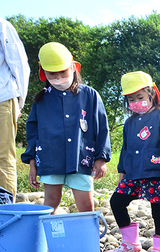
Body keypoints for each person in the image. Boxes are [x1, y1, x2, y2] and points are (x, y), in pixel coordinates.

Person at [21, 42, 110, 214]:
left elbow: (102, 126)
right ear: (43, 73)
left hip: (81, 157)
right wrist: (32, 162)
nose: (58, 78)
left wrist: (101, 158)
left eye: (63, 72)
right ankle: (50, 237)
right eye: (52, 74)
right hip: (50, 157)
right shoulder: (41, 100)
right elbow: (32, 133)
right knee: (51, 201)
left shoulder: (90, 95)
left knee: (86, 203)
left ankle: (87, 239)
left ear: (73, 67)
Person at [105, 71, 160, 252]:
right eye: (131, 99)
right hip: (133, 173)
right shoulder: (129, 122)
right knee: (116, 201)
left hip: (157, 172)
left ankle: (159, 250)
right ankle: (130, 243)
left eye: (140, 97)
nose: (136, 102)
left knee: (158, 210)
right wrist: (122, 169)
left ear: (151, 94)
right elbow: (126, 148)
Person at [0, 18, 29, 204]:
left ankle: (5, 207)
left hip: (2, 96)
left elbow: (19, 64)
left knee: (3, 155)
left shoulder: (2, 25)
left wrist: (19, 102)